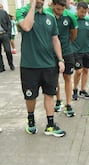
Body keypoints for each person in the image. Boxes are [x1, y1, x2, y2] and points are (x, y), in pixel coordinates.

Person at [16, 0, 66, 137]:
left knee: (50, 94)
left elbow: (55, 39)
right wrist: (32, 6)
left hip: (49, 64)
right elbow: (26, 26)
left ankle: (50, 125)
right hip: (29, 65)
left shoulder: (50, 17)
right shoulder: (22, 12)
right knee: (30, 96)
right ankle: (31, 120)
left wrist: (60, 59)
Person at [46, 0, 77, 117]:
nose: (60, 11)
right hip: (51, 54)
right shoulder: (47, 14)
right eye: (58, 9)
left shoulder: (70, 16)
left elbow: (74, 33)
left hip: (67, 52)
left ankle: (68, 104)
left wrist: (67, 44)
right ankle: (58, 100)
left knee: (68, 77)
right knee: (54, 78)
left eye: (62, 9)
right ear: (53, 5)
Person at [72, 1, 89, 100]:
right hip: (76, 50)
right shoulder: (73, 19)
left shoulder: (88, 20)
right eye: (81, 12)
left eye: (85, 12)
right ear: (77, 9)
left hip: (87, 50)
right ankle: (75, 89)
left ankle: (83, 90)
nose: (83, 14)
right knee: (78, 71)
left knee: (86, 70)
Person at [0, 4, 15, 72]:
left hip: (4, 34)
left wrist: (8, 33)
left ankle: (11, 64)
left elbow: (9, 23)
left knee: (8, 50)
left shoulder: (3, 12)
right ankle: (1, 67)